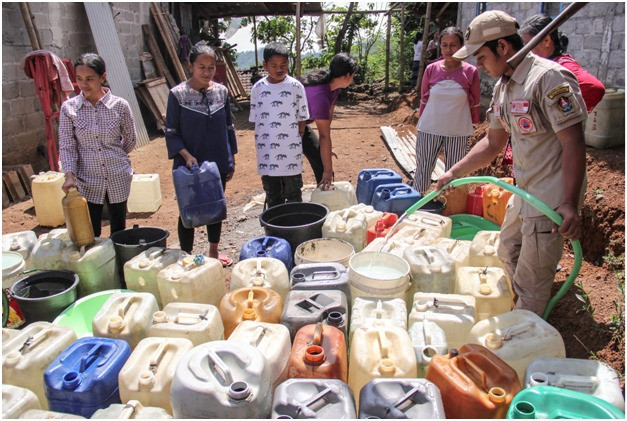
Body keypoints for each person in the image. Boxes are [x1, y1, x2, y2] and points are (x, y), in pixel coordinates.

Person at [436, 11, 587, 316]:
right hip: (524, 191)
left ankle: (530, 327)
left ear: (502, 47)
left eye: (480, 56)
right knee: (506, 250)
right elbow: (493, 143)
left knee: (531, 282)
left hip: (551, 199)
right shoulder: (504, 86)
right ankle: (524, 300)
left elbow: (573, 142)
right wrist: (453, 172)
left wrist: (569, 203)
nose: (477, 64)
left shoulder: (547, 78)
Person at [165, 43, 237, 267]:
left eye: (211, 67)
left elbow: (228, 128)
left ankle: (213, 253)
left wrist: (229, 159)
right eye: (201, 67)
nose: (207, 72)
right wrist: (186, 156)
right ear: (190, 66)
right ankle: (186, 257)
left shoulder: (221, 92)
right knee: (188, 210)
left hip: (217, 162)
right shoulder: (177, 95)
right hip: (188, 165)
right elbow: (171, 132)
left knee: (215, 207)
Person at [59, 53, 136, 237]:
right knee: (90, 232)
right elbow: (67, 145)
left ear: (103, 77)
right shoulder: (69, 109)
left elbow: (130, 139)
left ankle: (119, 263)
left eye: (89, 79)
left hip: (118, 175)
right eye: (79, 79)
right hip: (87, 180)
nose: (83, 84)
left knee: (119, 229)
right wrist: (70, 175)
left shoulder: (120, 106)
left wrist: (116, 156)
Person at [414, 27, 480, 194]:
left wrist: (474, 124)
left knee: (455, 175)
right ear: (439, 46)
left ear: (461, 46)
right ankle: (416, 206)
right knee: (423, 170)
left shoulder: (470, 72)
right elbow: (424, 99)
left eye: (453, 45)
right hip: (429, 129)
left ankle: (452, 211)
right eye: (444, 45)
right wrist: (420, 121)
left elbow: (475, 102)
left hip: (458, 132)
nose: (448, 50)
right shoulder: (431, 69)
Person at [249, 42, 310, 208]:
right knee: (273, 195)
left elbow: (302, 117)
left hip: (290, 151)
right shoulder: (258, 89)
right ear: (265, 65)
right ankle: (275, 228)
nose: (279, 69)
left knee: (293, 193)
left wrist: (299, 135)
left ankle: (296, 228)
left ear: (289, 63)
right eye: (274, 65)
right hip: (267, 152)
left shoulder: (296, 87)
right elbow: (257, 121)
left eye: (284, 64)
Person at [520, 13, 605, 113]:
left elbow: (595, 88)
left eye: (528, 45)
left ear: (547, 41)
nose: (526, 51)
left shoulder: (561, 66)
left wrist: (569, 113)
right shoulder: (543, 65)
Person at [301, 53, 358, 189]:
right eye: (353, 75)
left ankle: (325, 200)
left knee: (323, 163)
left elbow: (327, 122)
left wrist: (324, 150)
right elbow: (324, 135)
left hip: (303, 125)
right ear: (347, 76)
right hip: (288, 128)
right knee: (293, 174)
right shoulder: (320, 95)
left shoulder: (334, 88)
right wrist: (327, 169)